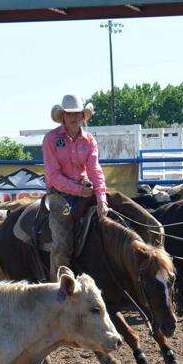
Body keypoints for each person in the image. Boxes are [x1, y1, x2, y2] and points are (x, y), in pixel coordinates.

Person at [42, 94, 108, 280]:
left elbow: (95, 169)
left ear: (83, 116)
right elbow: (53, 176)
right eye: (69, 113)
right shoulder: (51, 139)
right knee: (62, 245)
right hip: (59, 196)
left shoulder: (89, 140)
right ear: (62, 116)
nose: (73, 117)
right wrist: (79, 190)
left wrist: (101, 198)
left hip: (84, 189)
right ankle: (57, 287)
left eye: (77, 113)